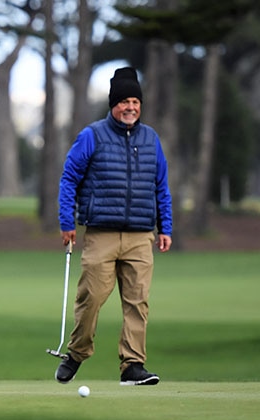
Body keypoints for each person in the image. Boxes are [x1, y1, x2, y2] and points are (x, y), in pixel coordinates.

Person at [55, 66, 173, 386]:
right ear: (113, 104)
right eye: (124, 101)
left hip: (140, 235)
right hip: (101, 233)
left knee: (138, 302)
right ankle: (77, 352)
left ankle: (132, 366)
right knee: (91, 297)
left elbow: (160, 185)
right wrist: (67, 222)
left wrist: (166, 226)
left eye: (135, 101)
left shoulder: (151, 139)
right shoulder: (91, 135)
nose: (130, 107)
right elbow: (69, 179)